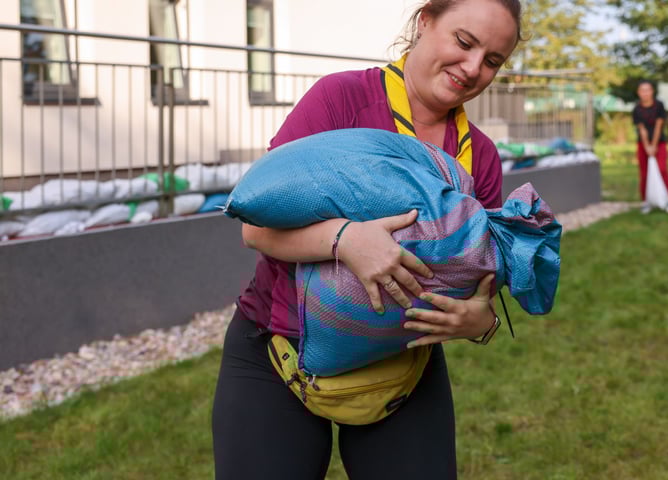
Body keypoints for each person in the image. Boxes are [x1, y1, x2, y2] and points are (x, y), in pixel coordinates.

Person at [211, 1, 523, 478]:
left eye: (492, 60)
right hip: (275, 354)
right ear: (425, 21)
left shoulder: (478, 155)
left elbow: (479, 275)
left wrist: (481, 321)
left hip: (401, 367)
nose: (473, 67)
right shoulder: (341, 99)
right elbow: (254, 228)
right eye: (464, 42)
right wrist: (345, 240)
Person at [632, 80, 668, 214]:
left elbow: (658, 126)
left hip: (659, 143)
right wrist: (647, 146)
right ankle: (646, 201)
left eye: (648, 90)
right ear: (639, 92)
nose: (645, 93)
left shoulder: (659, 106)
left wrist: (654, 145)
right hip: (643, 144)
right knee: (644, 173)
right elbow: (642, 130)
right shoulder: (637, 109)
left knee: (662, 169)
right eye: (642, 90)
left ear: (652, 91)